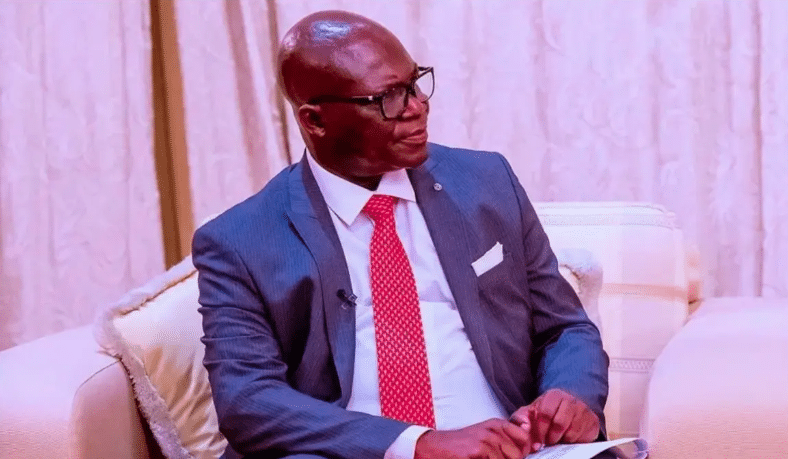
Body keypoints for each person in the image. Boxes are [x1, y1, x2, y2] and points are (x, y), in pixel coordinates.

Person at [192, 9, 609, 459]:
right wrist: (417, 444)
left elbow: (564, 327)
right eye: (387, 98)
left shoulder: (488, 182)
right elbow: (248, 401)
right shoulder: (239, 241)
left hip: (510, 448)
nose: (417, 106)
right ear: (315, 121)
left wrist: (572, 395)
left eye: (415, 83)